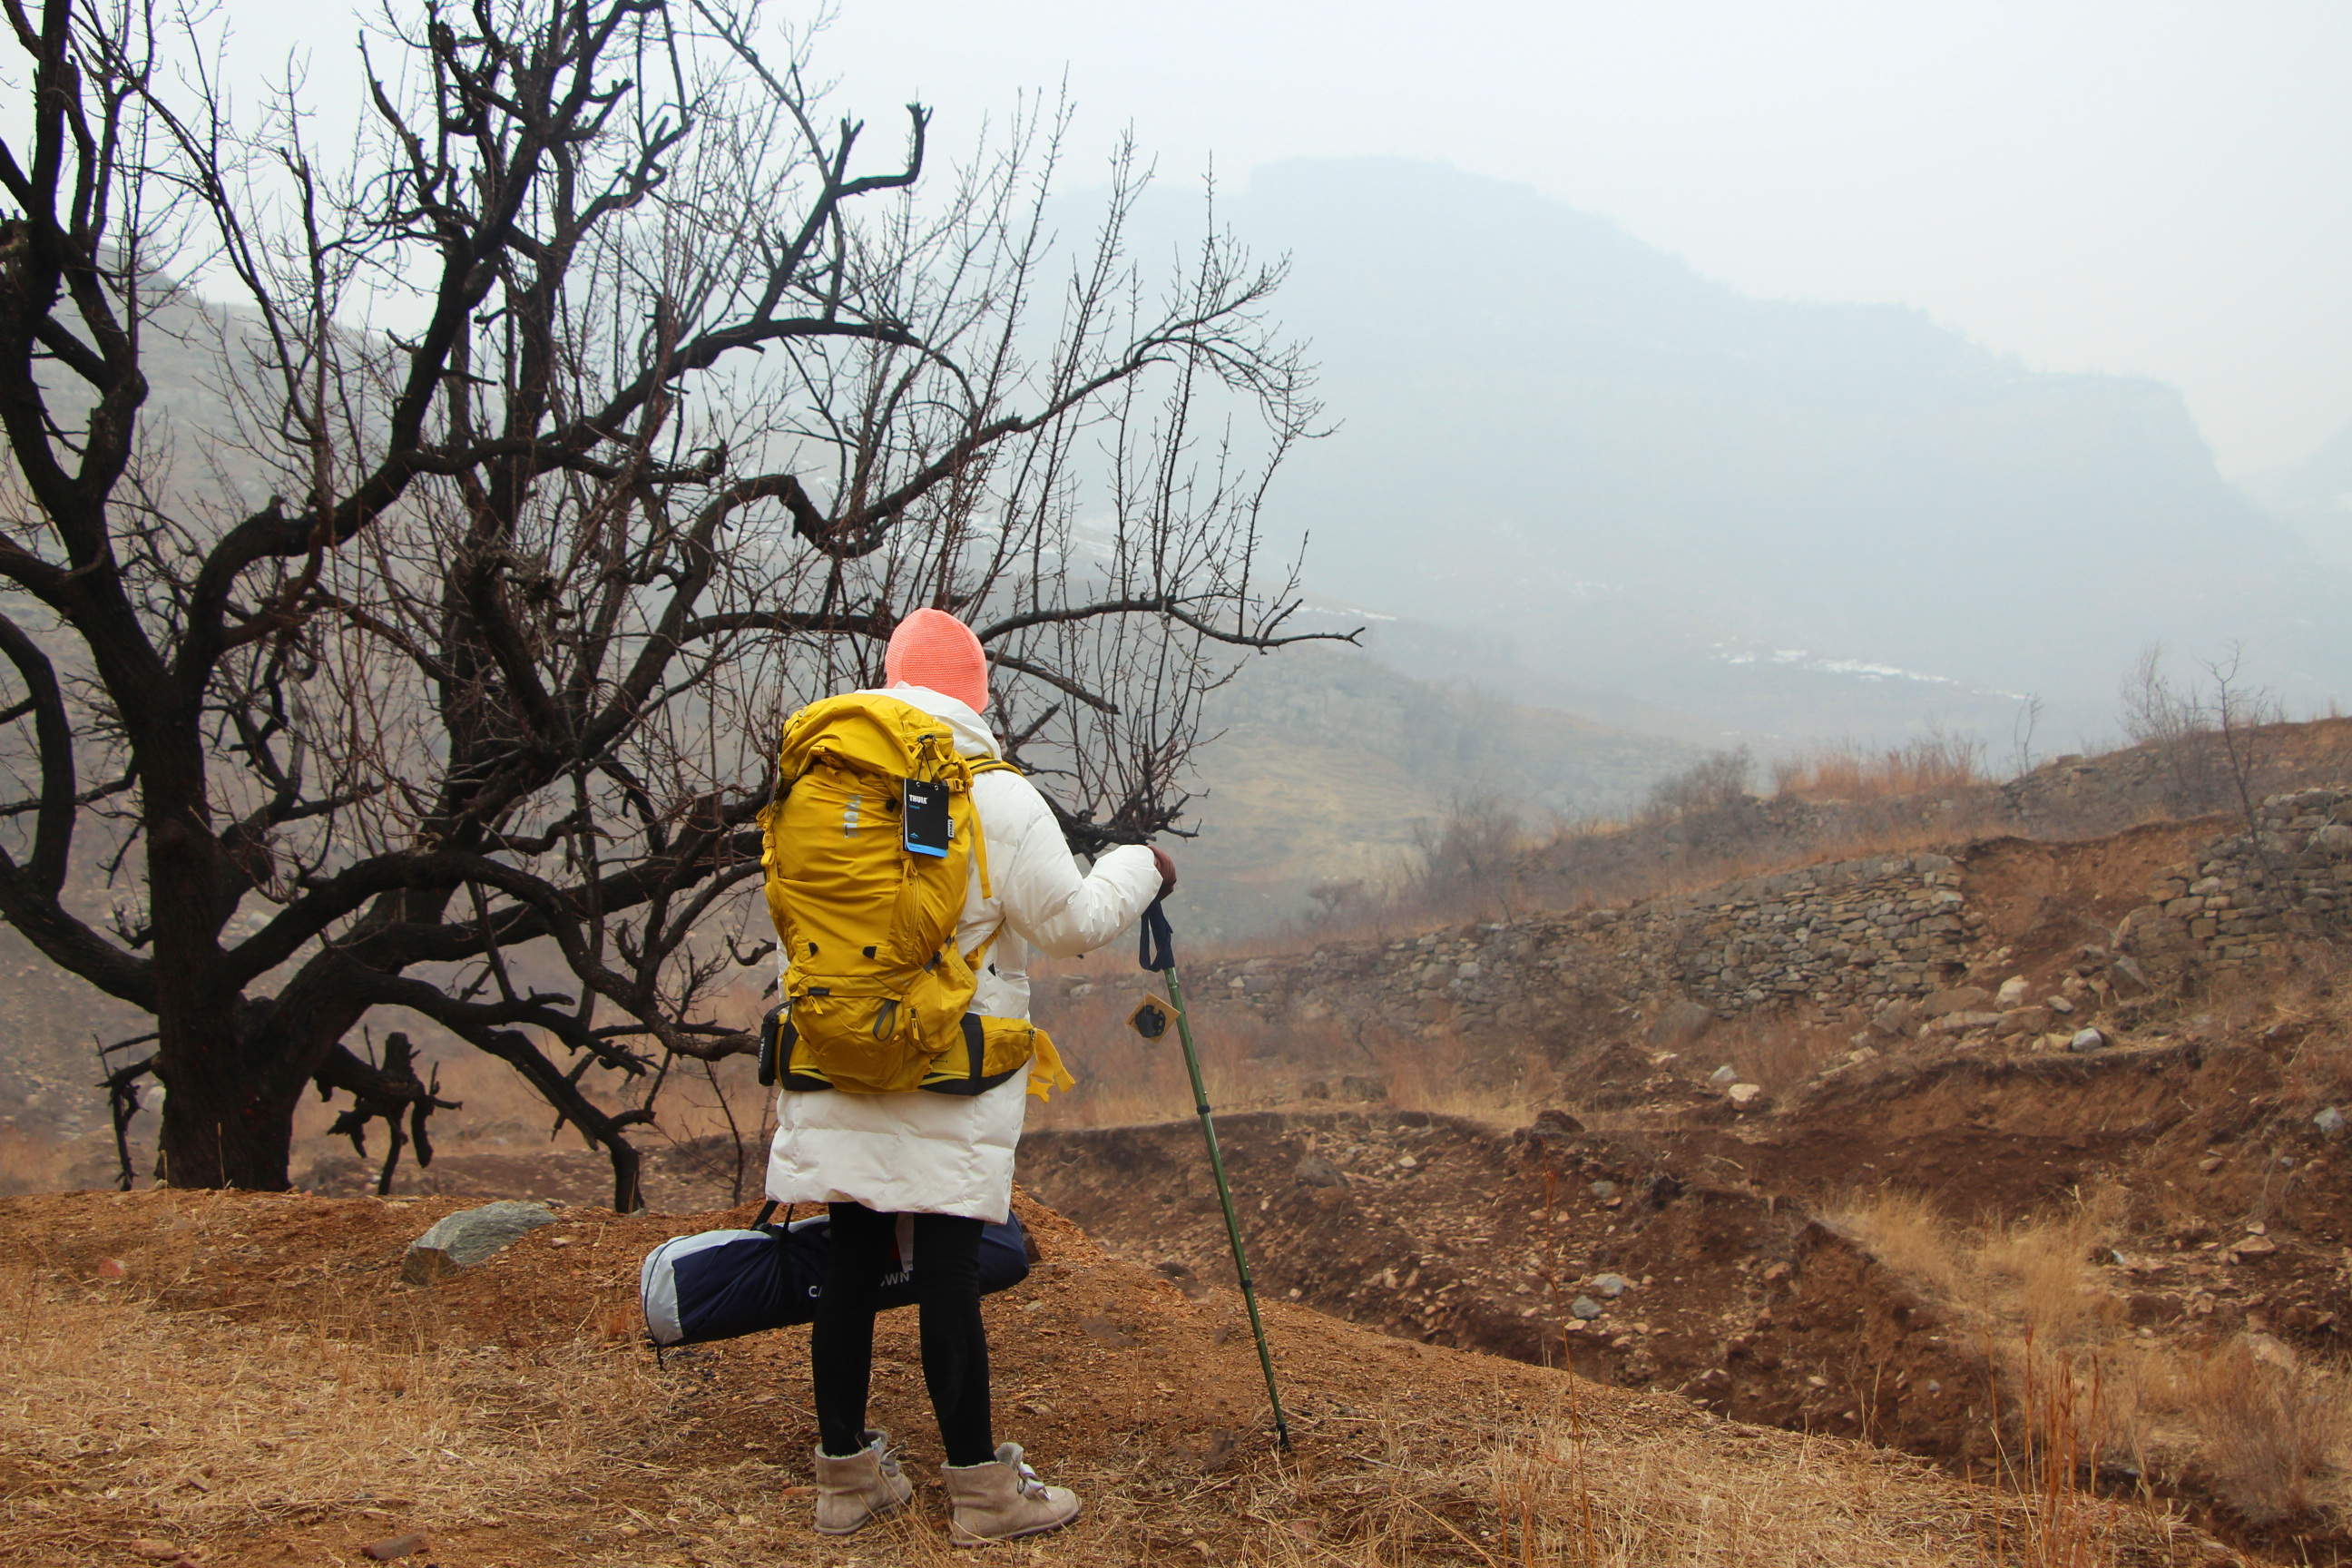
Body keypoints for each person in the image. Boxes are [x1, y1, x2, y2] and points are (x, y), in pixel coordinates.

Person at [766, 607, 1174, 1544]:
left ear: (889, 680)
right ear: (977, 696)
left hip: (834, 1049)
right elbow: (1069, 923)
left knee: (855, 1257)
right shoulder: (992, 794)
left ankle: (846, 1480)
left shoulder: (823, 786)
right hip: (944, 1065)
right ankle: (984, 1495)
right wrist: (1137, 867)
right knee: (947, 1268)